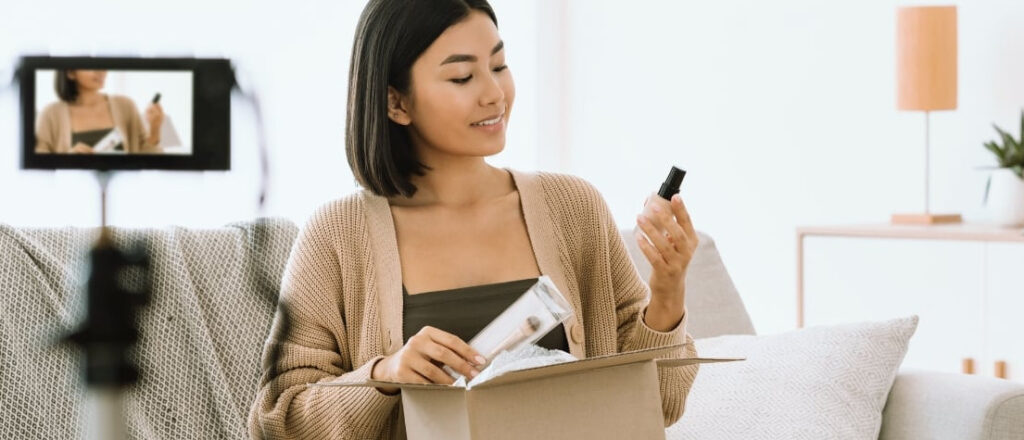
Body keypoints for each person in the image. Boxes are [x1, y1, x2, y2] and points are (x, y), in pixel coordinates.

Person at [248, 1, 701, 438]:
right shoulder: (337, 235)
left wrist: (666, 293)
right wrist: (385, 375)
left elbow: (660, 405)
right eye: (463, 76)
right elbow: (278, 424)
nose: (494, 93)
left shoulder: (573, 206)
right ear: (395, 103)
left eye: (499, 66)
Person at [34, 69, 163, 154]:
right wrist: (69, 160)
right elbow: (38, 167)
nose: (101, 71)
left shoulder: (125, 105)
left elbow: (147, 158)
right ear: (71, 73)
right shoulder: (50, 114)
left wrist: (155, 128)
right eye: (92, 66)